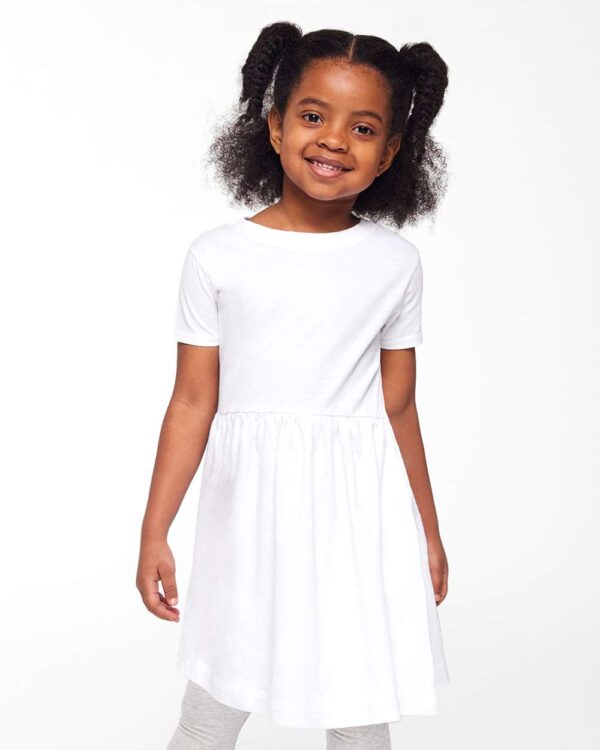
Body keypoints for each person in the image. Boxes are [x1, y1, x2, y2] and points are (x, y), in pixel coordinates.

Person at [136, 21, 451, 750]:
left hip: (359, 510)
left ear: (391, 153)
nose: (334, 139)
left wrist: (428, 532)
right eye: (313, 116)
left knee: (359, 699)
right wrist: (156, 529)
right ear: (275, 126)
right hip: (249, 507)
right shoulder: (218, 257)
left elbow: (399, 405)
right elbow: (193, 400)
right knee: (216, 699)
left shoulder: (394, 263)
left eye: (363, 127)